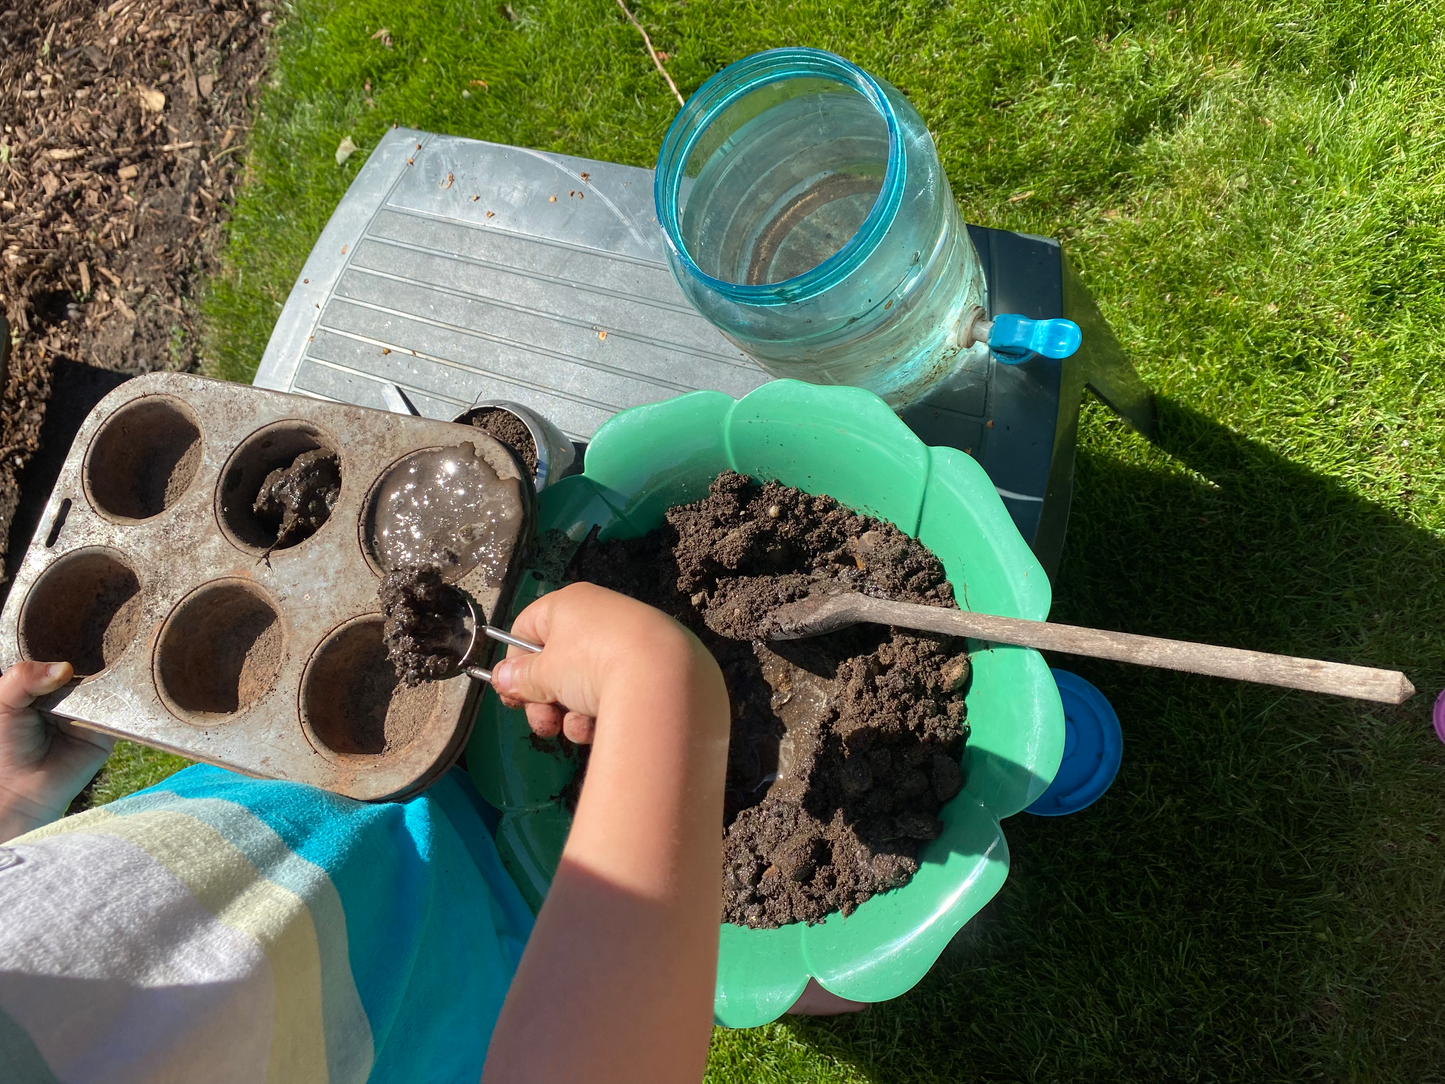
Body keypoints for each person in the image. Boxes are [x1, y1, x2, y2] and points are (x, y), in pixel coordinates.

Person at [0, 584, 733, 1083]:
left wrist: (13, 809)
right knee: (707, 955)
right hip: (485, 985)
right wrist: (658, 685)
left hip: (290, 807)